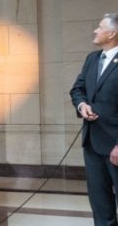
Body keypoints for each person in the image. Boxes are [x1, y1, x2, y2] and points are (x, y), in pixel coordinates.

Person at [70, 13, 118, 225]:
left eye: (100, 27)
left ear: (113, 33)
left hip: (115, 145)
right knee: (100, 202)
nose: (95, 31)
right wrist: (82, 105)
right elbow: (77, 89)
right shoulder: (92, 59)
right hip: (92, 143)